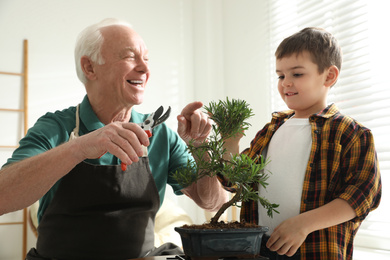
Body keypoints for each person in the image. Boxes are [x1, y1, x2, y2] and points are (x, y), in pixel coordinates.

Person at [0, 18, 228, 260]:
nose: (144, 68)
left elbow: (213, 202)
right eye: (130, 57)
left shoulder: (160, 134)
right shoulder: (56, 127)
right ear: (89, 68)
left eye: (147, 59)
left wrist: (200, 147)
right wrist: (79, 148)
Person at [224, 27, 382, 259]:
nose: (286, 83)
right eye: (280, 76)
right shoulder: (271, 129)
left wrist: (303, 224)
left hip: (314, 251)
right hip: (258, 250)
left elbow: (363, 194)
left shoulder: (350, 132)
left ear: (329, 76)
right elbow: (237, 182)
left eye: (297, 74)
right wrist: (230, 144)